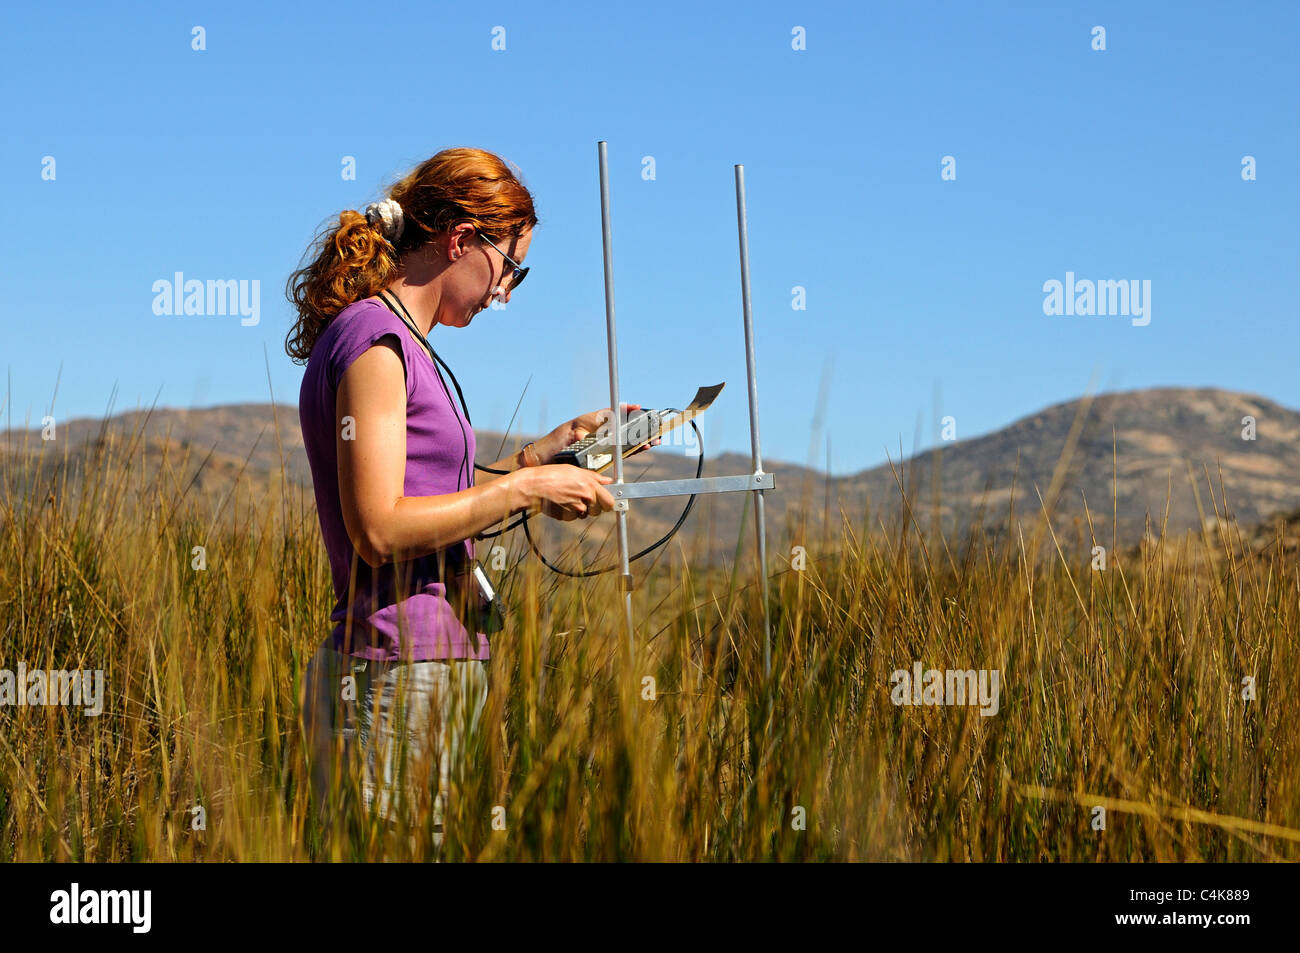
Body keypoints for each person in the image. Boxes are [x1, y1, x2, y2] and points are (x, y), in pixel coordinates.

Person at [285, 146, 652, 848]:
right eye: (510, 268)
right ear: (460, 240)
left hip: (423, 673)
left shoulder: (397, 342)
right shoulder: (375, 343)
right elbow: (380, 528)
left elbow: (434, 500)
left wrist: (542, 453)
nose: (506, 293)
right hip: (393, 675)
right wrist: (529, 485)